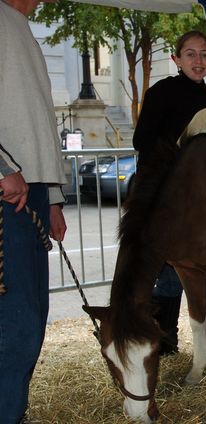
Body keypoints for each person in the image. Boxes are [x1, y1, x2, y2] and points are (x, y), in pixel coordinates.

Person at [0, 0, 68, 421]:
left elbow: (37, 120)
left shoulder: (18, 25)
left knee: (32, 323)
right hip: (10, 193)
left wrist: (55, 197)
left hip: (33, 192)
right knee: (16, 329)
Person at [132, 30, 206, 355]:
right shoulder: (162, 91)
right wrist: (179, 155)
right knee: (154, 266)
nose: (198, 60)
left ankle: (167, 340)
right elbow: (142, 140)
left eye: (204, 54)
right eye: (191, 54)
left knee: (179, 265)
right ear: (177, 59)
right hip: (159, 191)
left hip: (187, 194)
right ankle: (147, 337)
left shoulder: (204, 95)